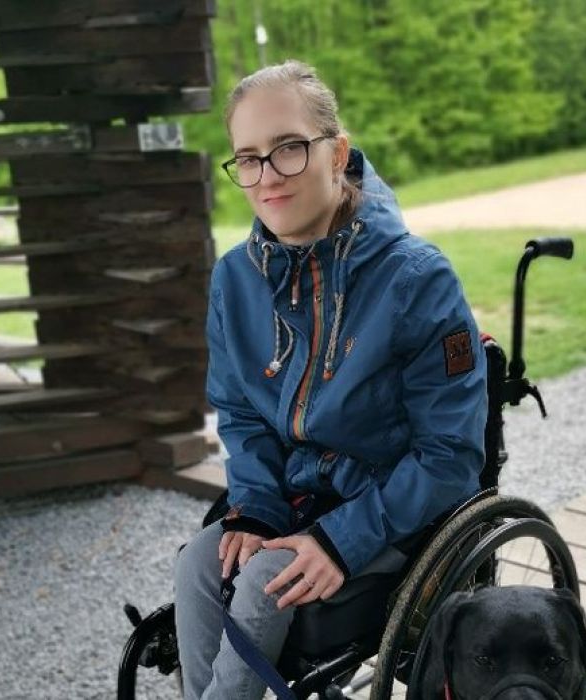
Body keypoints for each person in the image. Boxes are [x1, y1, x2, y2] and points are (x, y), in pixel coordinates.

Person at [173, 59, 488, 700]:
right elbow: (241, 413)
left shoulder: (415, 279)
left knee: (265, 583)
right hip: (298, 496)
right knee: (199, 566)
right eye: (249, 158)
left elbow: (450, 456)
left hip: (397, 509)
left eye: (289, 148)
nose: (267, 175)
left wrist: (340, 539)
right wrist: (256, 510)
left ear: (337, 153)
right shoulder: (235, 279)